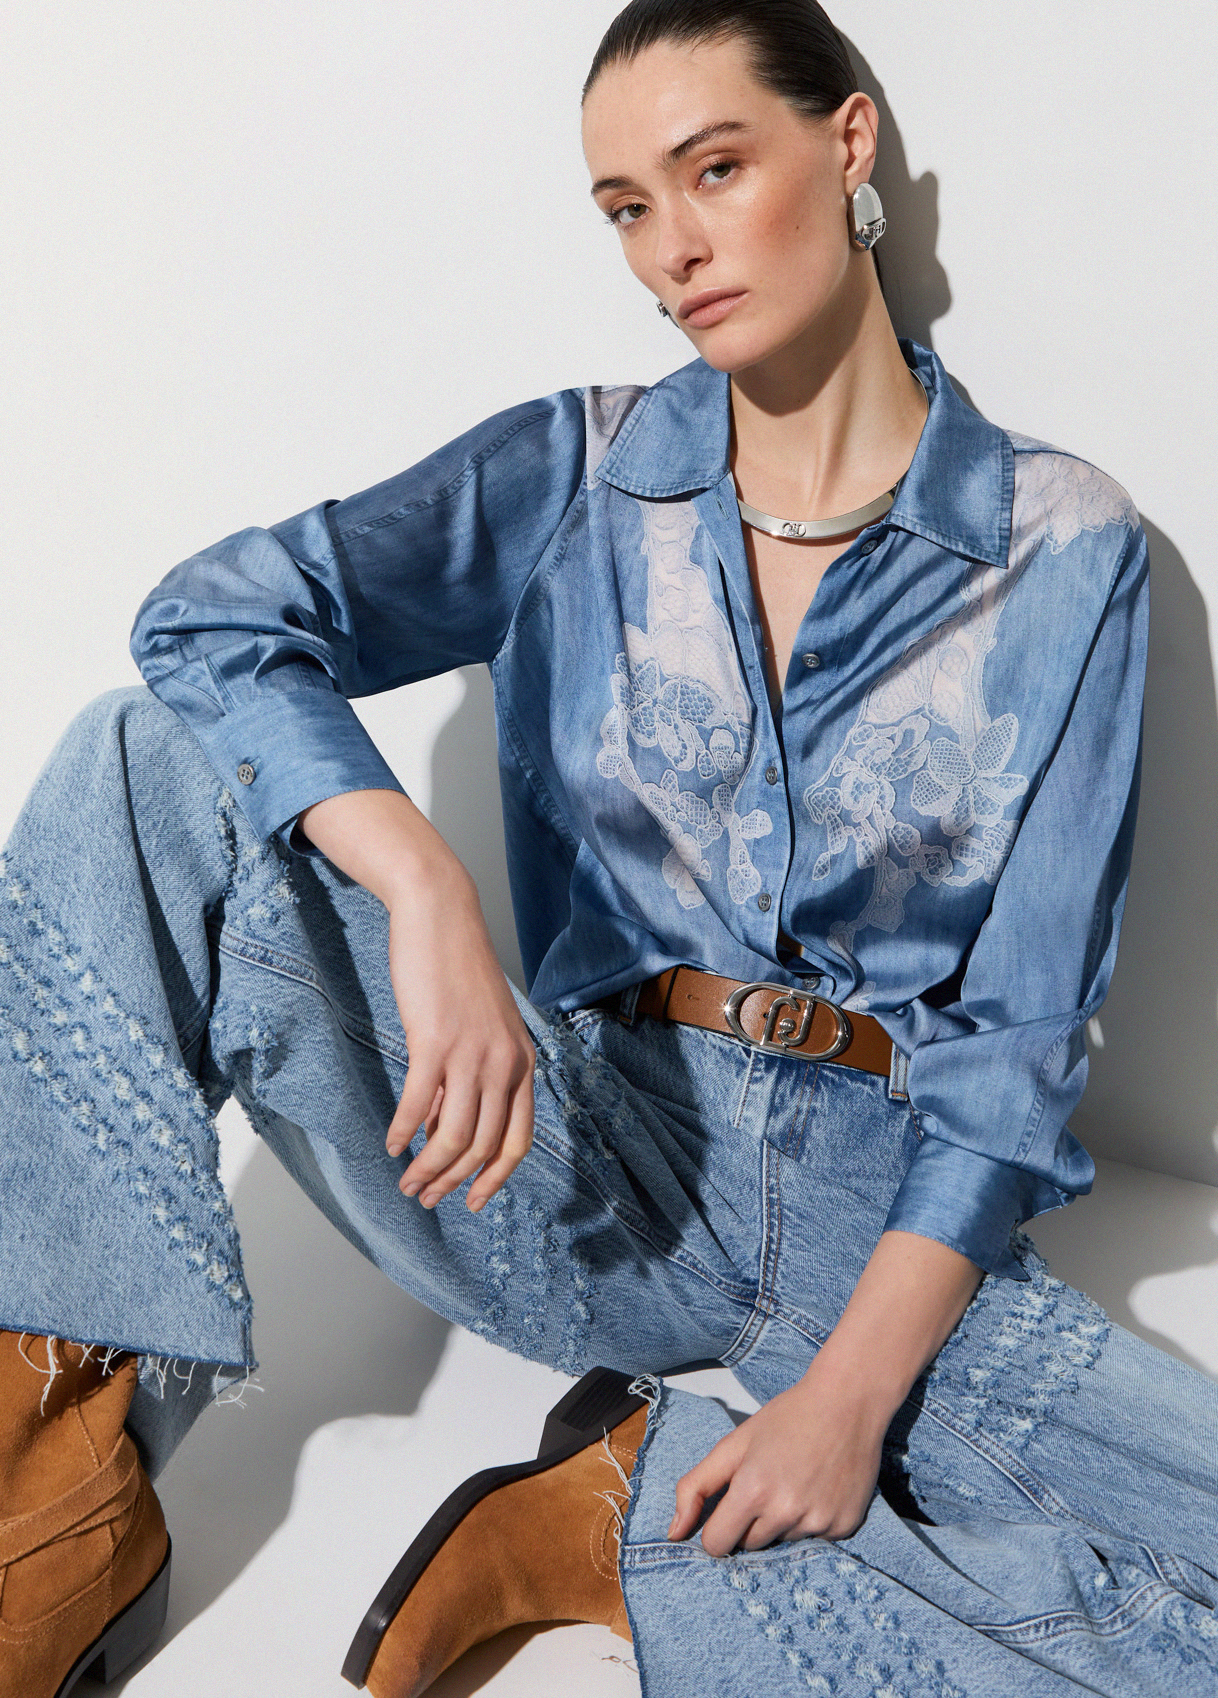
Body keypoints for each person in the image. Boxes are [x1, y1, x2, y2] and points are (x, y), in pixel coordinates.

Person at [1, 1, 1215, 1694]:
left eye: (714, 170)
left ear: (845, 144)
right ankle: (48, 1496)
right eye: (628, 207)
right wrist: (420, 882)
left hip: (879, 1225)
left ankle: (621, 1515)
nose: (671, 250)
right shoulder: (572, 474)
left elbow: (1018, 1039)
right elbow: (210, 622)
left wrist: (844, 1402)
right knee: (140, 760)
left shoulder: (1059, 541)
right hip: (574, 1169)